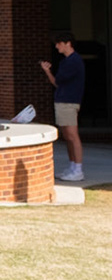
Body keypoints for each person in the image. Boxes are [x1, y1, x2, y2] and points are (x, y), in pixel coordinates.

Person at [41, 37, 87, 183]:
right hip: (62, 101)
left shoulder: (73, 61)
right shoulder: (66, 62)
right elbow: (57, 83)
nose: (56, 47)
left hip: (69, 103)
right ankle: (72, 167)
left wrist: (49, 72)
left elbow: (59, 81)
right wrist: (47, 71)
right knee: (67, 136)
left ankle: (78, 170)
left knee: (73, 136)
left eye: (59, 43)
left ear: (68, 43)